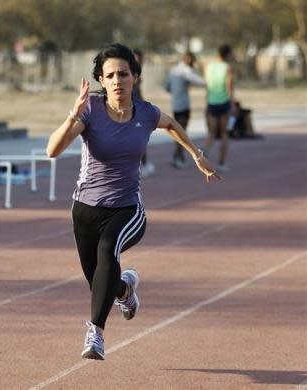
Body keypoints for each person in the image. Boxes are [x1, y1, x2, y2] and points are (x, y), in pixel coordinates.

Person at [46, 43, 221, 360]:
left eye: (123, 74)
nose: (117, 81)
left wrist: (197, 154)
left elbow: (170, 123)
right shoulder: (90, 111)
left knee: (106, 251)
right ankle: (125, 291)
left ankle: (95, 334)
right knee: (100, 279)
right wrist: (73, 112)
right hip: (84, 210)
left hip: (127, 210)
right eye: (109, 75)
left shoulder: (146, 113)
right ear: (101, 79)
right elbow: (52, 151)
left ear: (135, 77)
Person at [164, 52, 206, 168]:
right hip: (184, 106)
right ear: (188, 59)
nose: (193, 64)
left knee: (178, 132)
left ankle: (180, 156)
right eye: (193, 61)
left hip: (175, 105)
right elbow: (198, 80)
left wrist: (177, 90)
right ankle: (176, 157)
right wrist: (209, 83)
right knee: (182, 134)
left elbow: (167, 87)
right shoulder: (186, 70)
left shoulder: (173, 70)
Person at [204, 44, 236, 171]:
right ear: (227, 54)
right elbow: (230, 87)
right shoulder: (228, 68)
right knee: (224, 133)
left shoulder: (208, 67)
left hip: (211, 103)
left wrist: (206, 103)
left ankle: (203, 155)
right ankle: (221, 163)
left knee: (211, 133)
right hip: (224, 103)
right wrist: (233, 104)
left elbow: (207, 86)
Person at [132, 49, 155, 178]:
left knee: (141, 136)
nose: (138, 62)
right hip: (129, 108)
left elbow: (138, 92)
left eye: (140, 59)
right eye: (136, 59)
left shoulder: (136, 73)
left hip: (137, 107)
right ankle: (142, 165)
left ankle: (143, 165)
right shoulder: (130, 73)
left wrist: (143, 104)